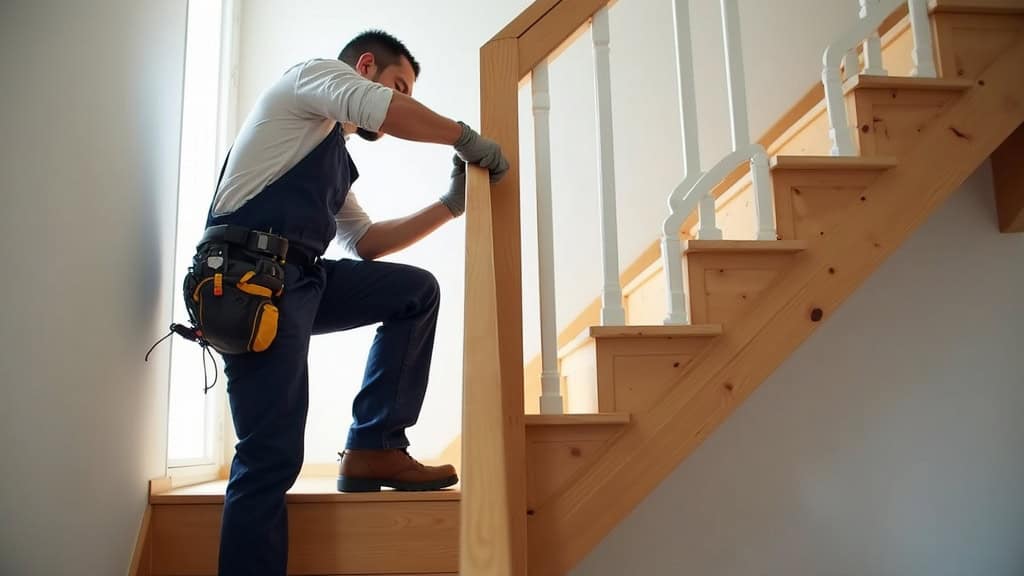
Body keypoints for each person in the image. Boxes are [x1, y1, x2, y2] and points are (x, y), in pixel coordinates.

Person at [202, 30, 508, 576]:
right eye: (400, 86)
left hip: (297, 281)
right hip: (248, 283)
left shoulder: (323, 150)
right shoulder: (310, 77)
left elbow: (365, 242)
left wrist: (450, 205)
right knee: (269, 456)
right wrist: (462, 136)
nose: (404, 100)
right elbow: (385, 112)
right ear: (364, 66)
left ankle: (375, 445)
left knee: (414, 292)